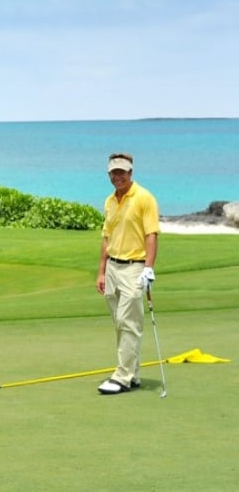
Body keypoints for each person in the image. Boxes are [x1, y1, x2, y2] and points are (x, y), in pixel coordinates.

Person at [95, 153, 160, 395]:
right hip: (112, 267)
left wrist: (148, 268)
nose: (117, 177)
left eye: (122, 172)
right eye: (114, 172)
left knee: (128, 322)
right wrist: (101, 272)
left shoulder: (144, 198)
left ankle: (122, 376)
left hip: (135, 266)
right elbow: (106, 237)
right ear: (109, 174)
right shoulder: (110, 201)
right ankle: (133, 374)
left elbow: (151, 234)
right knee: (121, 324)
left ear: (130, 173)